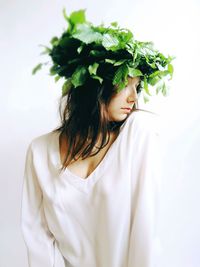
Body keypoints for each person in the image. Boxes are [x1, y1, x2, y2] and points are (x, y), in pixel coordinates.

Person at [21, 8, 173, 267]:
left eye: (137, 87)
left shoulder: (139, 133)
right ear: (94, 85)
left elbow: (145, 234)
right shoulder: (40, 152)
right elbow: (38, 244)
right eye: (125, 84)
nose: (134, 98)